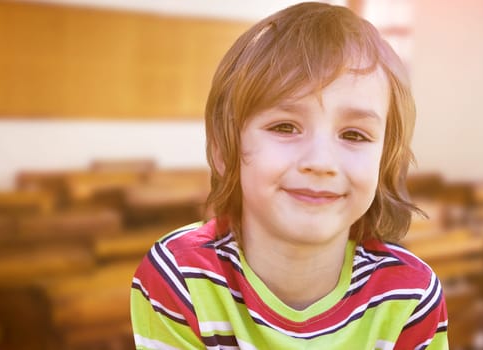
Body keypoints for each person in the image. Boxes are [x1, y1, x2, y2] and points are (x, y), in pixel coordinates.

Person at [130, 2, 448, 349]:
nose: (321, 162)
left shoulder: (410, 297)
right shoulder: (180, 277)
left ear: (384, 161)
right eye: (285, 126)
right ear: (224, 150)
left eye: (354, 134)